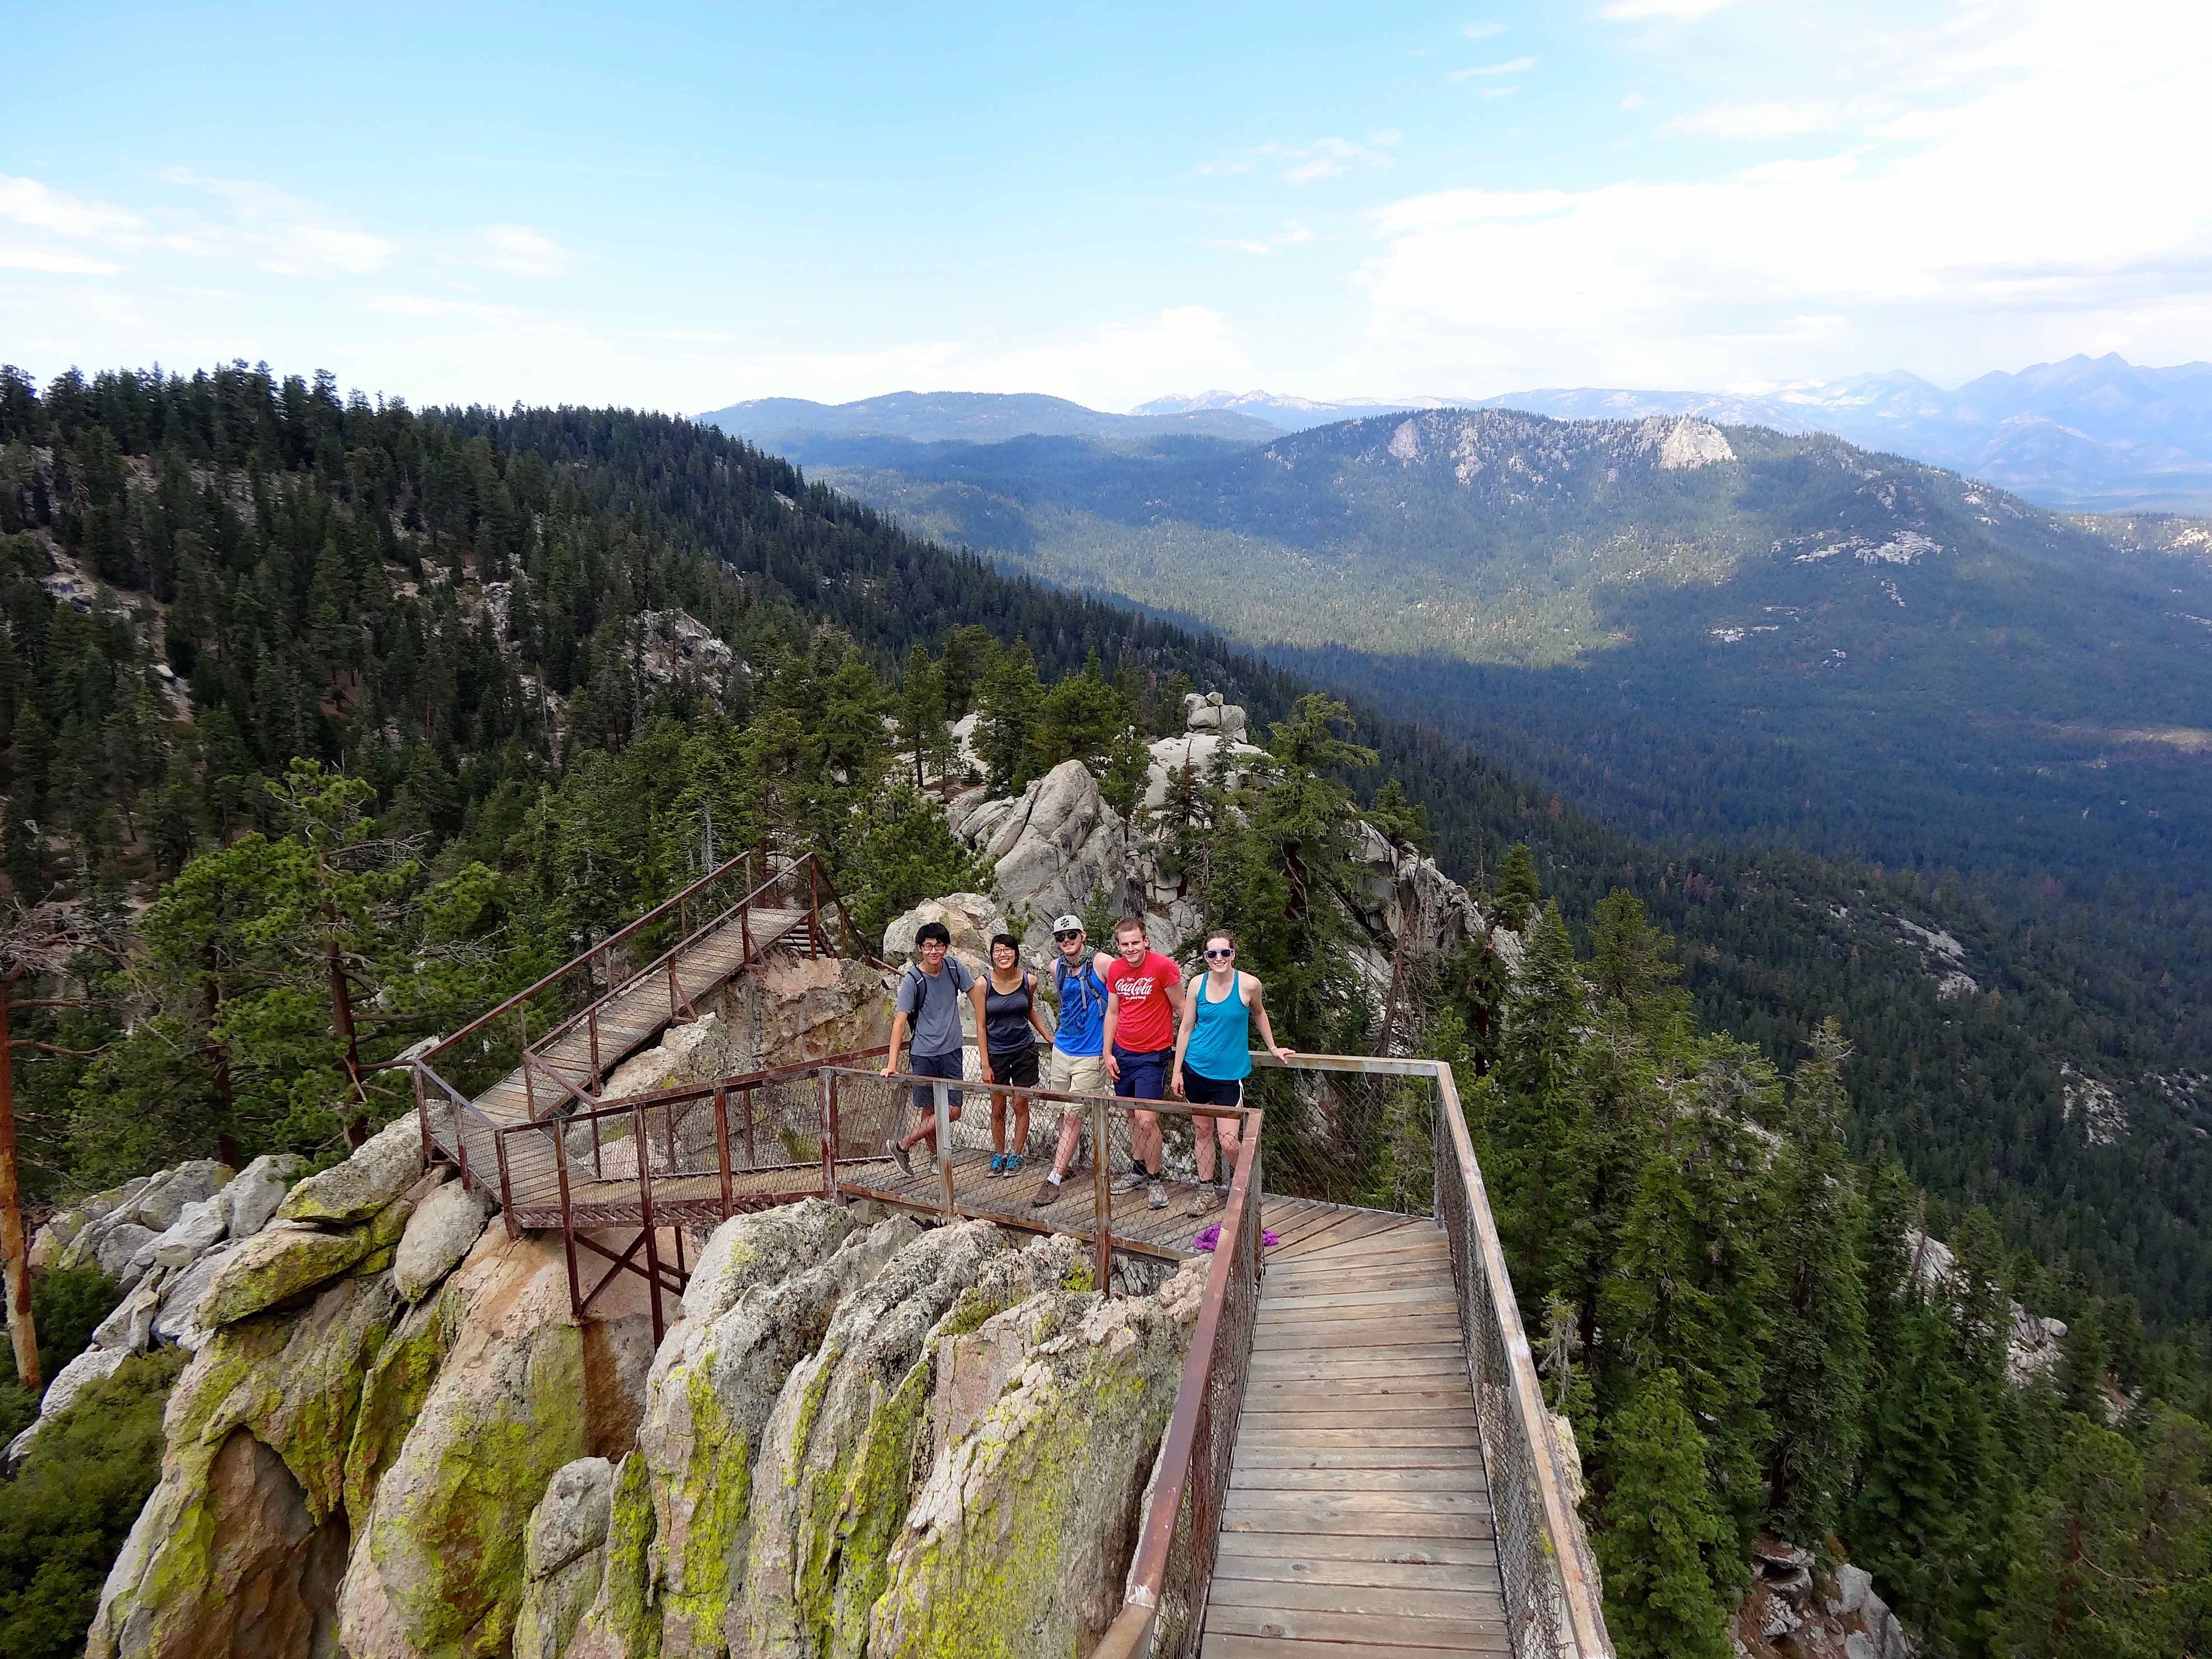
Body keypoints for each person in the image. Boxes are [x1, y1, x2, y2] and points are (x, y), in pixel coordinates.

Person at [1170, 928, 1292, 1214]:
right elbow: (1186, 1027)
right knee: (1202, 1132)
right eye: (1212, 953)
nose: (1219, 958)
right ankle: (1206, 1190)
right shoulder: (1197, 985)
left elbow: (1259, 1013)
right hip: (1196, 1068)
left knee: (1230, 1143)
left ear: (1233, 954)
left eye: (1225, 952)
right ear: (1205, 957)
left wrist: (1273, 1047)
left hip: (1228, 1076)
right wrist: (1177, 1071)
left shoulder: (1249, 985)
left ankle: (1243, 1189)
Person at [881, 921, 985, 1176]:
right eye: (928, 946)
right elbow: (900, 1021)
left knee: (953, 1110)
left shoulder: (954, 969)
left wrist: (985, 1028)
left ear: (946, 947)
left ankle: (903, 1144)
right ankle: (935, 1158)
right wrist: (892, 1064)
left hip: (951, 1050)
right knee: (929, 1110)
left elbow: (976, 997)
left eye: (939, 946)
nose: (934, 951)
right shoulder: (913, 980)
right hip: (924, 1053)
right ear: (920, 949)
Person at [1029, 914, 1118, 1210]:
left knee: (1073, 1116)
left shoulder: (1103, 964)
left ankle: (1054, 1178)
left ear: (1083, 936)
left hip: (1091, 1054)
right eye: (1061, 937)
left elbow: (1119, 1002)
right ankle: (1064, 1162)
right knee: (1061, 1111)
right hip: (1063, 1049)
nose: (1067, 941)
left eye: (1072, 935)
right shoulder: (1056, 967)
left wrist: (1110, 1049)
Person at [1102, 915, 1185, 1210]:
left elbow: (1181, 1007)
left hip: (1153, 1055)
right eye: (1125, 944)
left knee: (1147, 1120)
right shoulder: (1116, 969)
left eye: (1136, 943)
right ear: (1118, 946)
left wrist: (1188, 1049)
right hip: (1123, 1052)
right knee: (1131, 1116)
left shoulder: (1163, 967)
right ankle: (1138, 1171)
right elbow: (1113, 1012)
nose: (1131, 949)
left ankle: (1155, 1179)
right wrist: (1108, 1052)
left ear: (1146, 941)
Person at [978, 931, 1054, 1176]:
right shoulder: (983, 985)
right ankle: (999, 1154)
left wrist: (1048, 1036)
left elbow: (1029, 1010)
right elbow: (981, 1026)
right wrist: (985, 1064)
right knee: (998, 1107)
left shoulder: (1029, 981)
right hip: (997, 1053)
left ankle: (1016, 1155)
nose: (1003, 955)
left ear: (1016, 953)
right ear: (992, 956)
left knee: (1021, 1104)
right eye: (998, 951)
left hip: (1023, 1050)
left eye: (1007, 950)